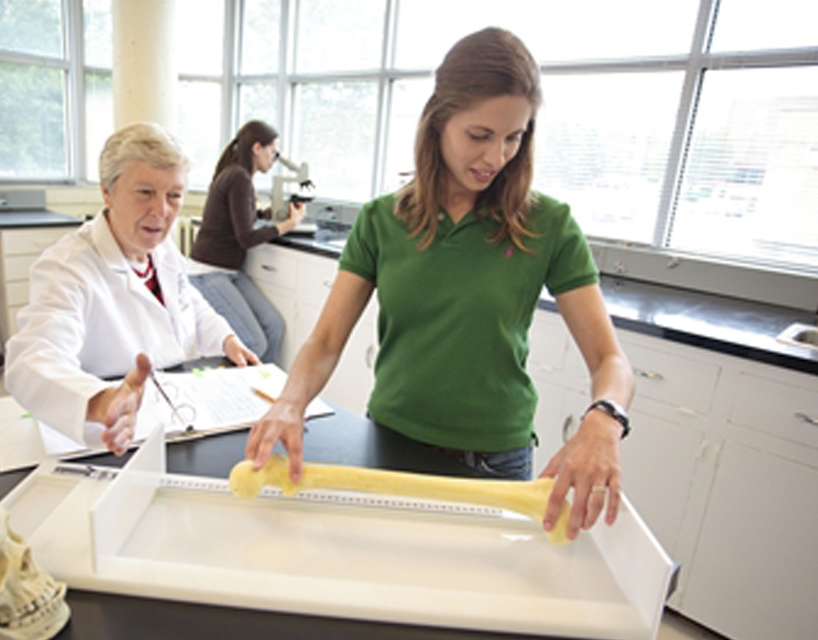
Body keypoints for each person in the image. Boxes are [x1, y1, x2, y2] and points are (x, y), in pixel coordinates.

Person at [244, 27, 635, 542]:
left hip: (495, 460)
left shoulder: (549, 224)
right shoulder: (383, 221)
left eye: (514, 137)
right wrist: (290, 400)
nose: (497, 157)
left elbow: (611, 360)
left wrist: (604, 419)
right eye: (480, 135)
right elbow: (325, 342)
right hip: (392, 444)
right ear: (439, 120)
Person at [5, 122, 259, 456]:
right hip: (114, 438)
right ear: (107, 192)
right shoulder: (67, 268)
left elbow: (189, 301)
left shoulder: (162, 250)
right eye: (145, 193)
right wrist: (100, 401)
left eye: (174, 195)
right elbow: (31, 360)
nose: (161, 211)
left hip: (176, 415)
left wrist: (225, 339)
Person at [188, 120, 306, 364]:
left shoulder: (239, 175)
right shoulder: (238, 177)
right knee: (254, 343)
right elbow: (246, 237)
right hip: (208, 273)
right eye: (272, 151)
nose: (274, 159)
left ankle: (265, 387)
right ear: (257, 148)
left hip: (230, 271)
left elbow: (241, 216)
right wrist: (288, 225)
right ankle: (238, 391)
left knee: (274, 326)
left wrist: (271, 214)